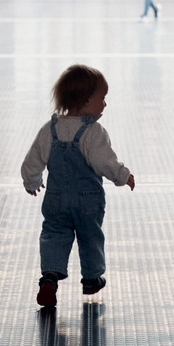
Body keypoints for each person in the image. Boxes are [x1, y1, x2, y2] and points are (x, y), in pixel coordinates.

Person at [21, 64, 135, 309]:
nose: (104, 104)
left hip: (55, 199)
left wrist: (32, 181)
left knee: (53, 235)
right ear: (85, 102)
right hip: (88, 201)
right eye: (102, 98)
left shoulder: (49, 129)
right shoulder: (93, 132)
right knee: (90, 236)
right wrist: (123, 176)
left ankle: (49, 278)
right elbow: (105, 161)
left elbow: (32, 160)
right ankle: (92, 279)